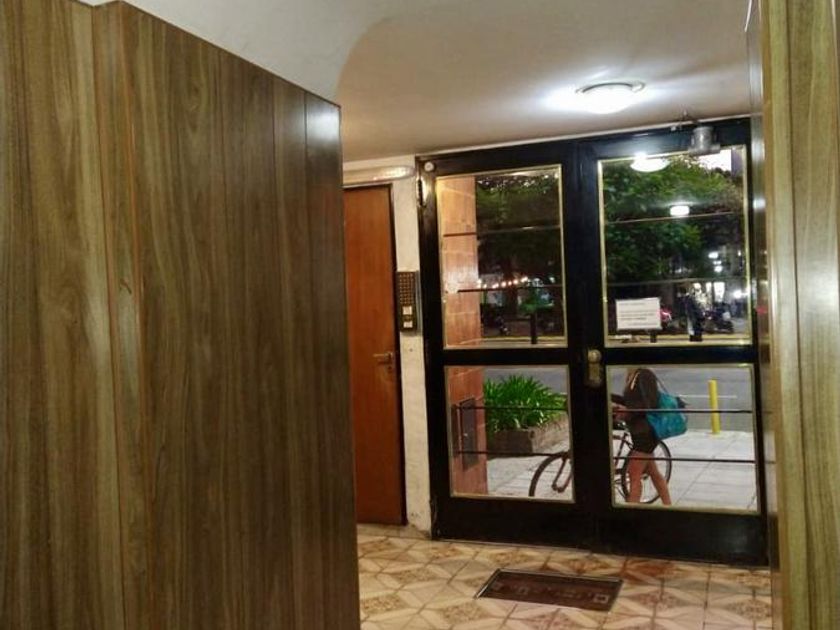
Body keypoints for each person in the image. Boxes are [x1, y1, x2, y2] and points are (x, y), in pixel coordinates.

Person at [614, 367, 672, 505]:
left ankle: (632, 512)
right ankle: (668, 506)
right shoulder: (633, 375)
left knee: (633, 473)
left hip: (646, 433)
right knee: (653, 472)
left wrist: (628, 411)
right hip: (639, 432)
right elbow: (630, 401)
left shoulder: (644, 374)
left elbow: (650, 404)